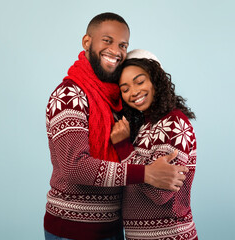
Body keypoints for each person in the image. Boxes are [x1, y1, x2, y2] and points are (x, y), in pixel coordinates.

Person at [44, 13, 188, 240]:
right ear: (87, 42)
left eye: (123, 45)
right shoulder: (69, 95)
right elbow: (74, 167)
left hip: (113, 227)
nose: (116, 50)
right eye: (107, 40)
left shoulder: (116, 100)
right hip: (74, 229)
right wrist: (146, 174)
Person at [110, 49, 198, 240]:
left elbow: (160, 193)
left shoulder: (174, 123)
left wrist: (124, 147)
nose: (133, 92)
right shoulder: (144, 125)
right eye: (125, 89)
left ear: (156, 80)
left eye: (139, 82)